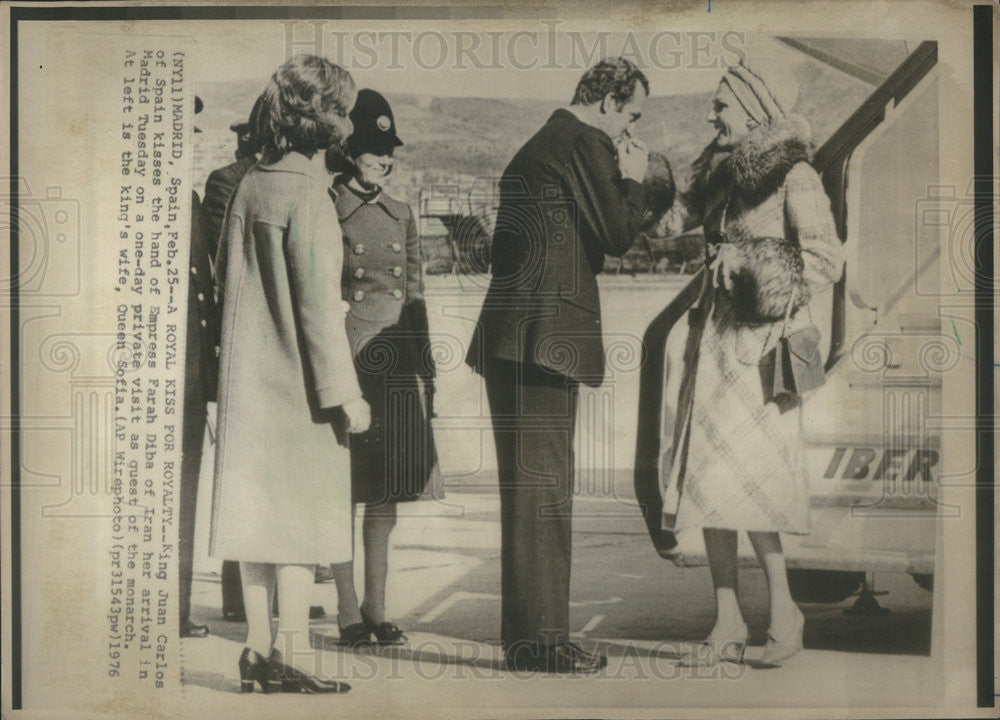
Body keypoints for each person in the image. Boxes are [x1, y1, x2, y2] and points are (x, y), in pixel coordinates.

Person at [654, 58, 844, 667]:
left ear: (756, 107)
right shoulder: (721, 174)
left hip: (760, 355)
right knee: (709, 484)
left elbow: (823, 261)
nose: (711, 115)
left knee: (754, 486)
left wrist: (750, 268)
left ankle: (785, 612)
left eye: (721, 105)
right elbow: (665, 225)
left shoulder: (797, 175)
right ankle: (728, 618)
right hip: (714, 350)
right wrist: (640, 174)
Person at [465, 57, 649, 673]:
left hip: (511, 339)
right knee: (547, 492)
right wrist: (639, 178)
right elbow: (619, 234)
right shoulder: (583, 140)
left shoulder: (536, 145)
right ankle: (542, 644)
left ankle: (528, 640)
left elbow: (502, 249)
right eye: (631, 115)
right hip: (545, 341)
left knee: (528, 491)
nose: (629, 131)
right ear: (608, 102)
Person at [210, 54, 368, 694]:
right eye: (345, 110)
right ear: (325, 119)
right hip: (302, 394)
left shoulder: (250, 184)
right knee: (305, 525)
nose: (349, 122)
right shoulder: (310, 195)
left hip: (248, 387)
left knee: (256, 526)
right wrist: (347, 395)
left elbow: (228, 280)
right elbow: (317, 313)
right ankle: (294, 651)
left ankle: (255, 652)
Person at [321, 88, 438, 648]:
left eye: (389, 150)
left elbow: (414, 295)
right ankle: (345, 609)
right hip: (351, 364)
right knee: (344, 489)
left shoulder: (402, 213)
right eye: (373, 149)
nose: (383, 160)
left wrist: (426, 371)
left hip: (396, 367)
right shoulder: (329, 208)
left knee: (386, 492)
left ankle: (376, 605)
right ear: (350, 151)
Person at [199, 96, 265, 624]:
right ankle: (240, 598)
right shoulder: (230, 181)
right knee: (242, 472)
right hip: (239, 342)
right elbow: (227, 268)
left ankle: (257, 595)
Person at [178, 95, 212, 640]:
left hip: (190, 375)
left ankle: (176, 609)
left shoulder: (190, 200)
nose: (191, 139)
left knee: (185, 489)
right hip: (156, 378)